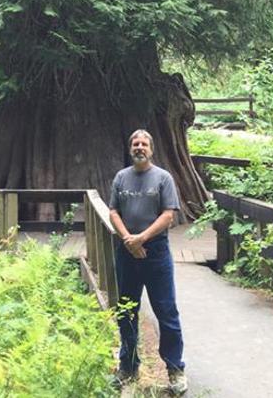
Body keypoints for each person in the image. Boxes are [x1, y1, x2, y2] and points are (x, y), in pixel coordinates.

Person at [108, 129, 188, 394]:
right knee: (127, 311)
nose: (139, 147)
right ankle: (128, 368)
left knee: (166, 312)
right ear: (130, 148)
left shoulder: (163, 178)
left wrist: (141, 239)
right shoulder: (121, 177)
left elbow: (168, 215)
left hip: (155, 253)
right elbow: (113, 211)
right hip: (127, 251)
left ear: (151, 149)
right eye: (135, 143)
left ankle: (175, 370)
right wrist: (129, 240)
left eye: (143, 144)